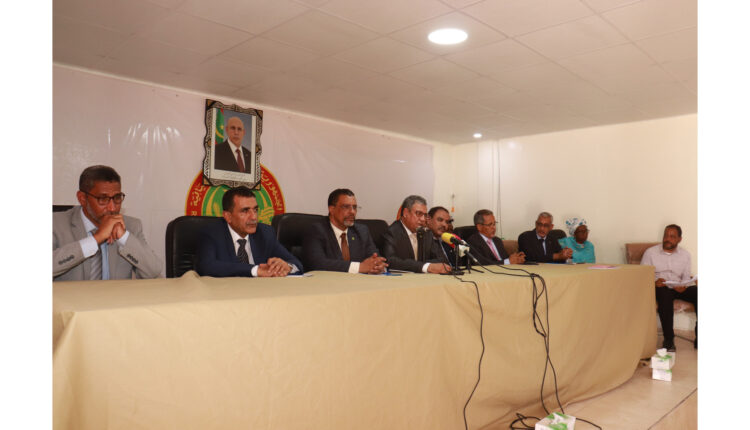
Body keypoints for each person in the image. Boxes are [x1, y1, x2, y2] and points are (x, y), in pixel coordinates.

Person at [53, 165, 162, 281]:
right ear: (82, 198)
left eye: (117, 198)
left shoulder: (131, 225)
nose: (112, 208)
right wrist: (96, 239)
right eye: (103, 199)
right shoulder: (55, 223)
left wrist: (124, 238)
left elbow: (153, 272)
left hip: (115, 293)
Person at [197, 187, 302, 277]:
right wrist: (255, 270)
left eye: (255, 210)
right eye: (245, 211)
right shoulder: (211, 233)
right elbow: (206, 267)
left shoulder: (265, 233)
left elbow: (297, 264)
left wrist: (287, 266)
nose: (253, 217)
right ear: (228, 216)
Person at [302, 188, 387, 273]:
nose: (352, 212)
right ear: (331, 209)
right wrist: (359, 267)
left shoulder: (361, 231)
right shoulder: (316, 231)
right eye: (346, 207)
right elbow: (317, 264)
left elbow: (375, 259)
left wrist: (377, 266)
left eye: (354, 207)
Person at [640, 224, 696, 351]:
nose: (667, 239)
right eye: (666, 235)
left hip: (678, 287)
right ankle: (669, 340)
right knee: (665, 294)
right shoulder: (650, 253)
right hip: (661, 287)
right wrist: (654, 282)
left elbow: (686, 276)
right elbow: (642, 275)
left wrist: (684, 285)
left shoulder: (685, 255)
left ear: (679, 239)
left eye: (672, 236)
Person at [381, 195, 450, 274]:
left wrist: (423, 265)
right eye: (419, 213)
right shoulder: (391, 232)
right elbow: (390, 262)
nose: (423, 219)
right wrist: (425, 267)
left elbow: (442, 260)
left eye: (425, 215)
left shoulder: (426, 233)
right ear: (405, 213)